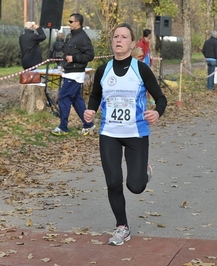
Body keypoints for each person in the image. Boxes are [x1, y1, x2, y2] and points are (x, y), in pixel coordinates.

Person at [83, 22, 167, 246]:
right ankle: (122, 227)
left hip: (136, 133)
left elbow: (161, 98)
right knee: (113, 181)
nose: (118, 40)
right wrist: (90, 110)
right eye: (115, 37)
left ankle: (143, 171)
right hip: (109, 132)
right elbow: (95, 96)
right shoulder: (103, 69)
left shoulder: (141, 69)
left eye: (124, 37)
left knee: (135, 186)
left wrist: (157, 113)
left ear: (132, 43)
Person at [51, 13, 95, 136]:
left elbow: (90, 55)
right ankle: (88, 124)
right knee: (76, 99)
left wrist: (74, 58)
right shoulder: (71, 36)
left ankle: (63, 127)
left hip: (75, 73)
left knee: (64, 98)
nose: (69, 23)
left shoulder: (83, 38)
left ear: (78, 23)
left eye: (71, 21)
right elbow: (67, 53)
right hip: (68, 72)